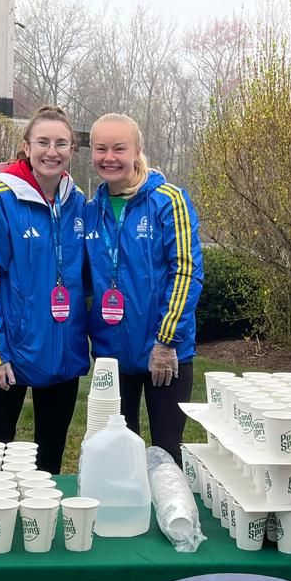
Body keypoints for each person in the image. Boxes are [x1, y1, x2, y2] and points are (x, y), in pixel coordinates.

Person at [0, 105, 88, 474]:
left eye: (61, 143)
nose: (52, 151)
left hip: (62, 354)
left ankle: (41, 528)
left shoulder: (77, 202)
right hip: (10, 355)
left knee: (50, 458)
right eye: (43, 142)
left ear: (71, 150)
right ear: (27, 147)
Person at [85, 113, 203, 466]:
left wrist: (166, 341)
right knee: (119, 456)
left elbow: (187, 273)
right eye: (100, 148)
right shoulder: (91, 211)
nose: (109, 157)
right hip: (110, 353)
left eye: (119, 148)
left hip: (163, 352)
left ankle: (170, 519)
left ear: (137, 151)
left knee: (167, 453)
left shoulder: (169, 201)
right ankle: (124, 520)